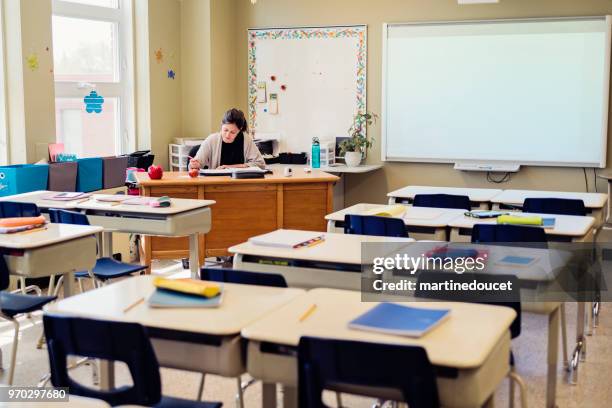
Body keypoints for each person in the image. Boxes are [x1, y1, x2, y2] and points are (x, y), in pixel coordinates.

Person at [188, 108, 265, 170]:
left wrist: (229, 168)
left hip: (239, 184)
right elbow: (197, 164)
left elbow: (261, 164)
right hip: (216, 184)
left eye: (233, 132)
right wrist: (195, 164)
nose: (227, 135)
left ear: (239, 130)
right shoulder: (212, 140)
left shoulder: (246, 140)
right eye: (225, 130)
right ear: (221, 125)